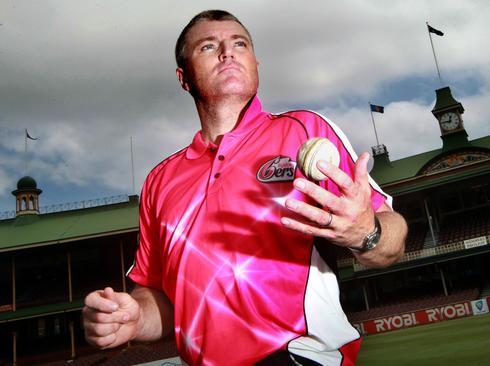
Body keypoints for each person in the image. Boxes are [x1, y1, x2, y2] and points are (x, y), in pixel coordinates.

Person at [82, 10, 407, 366]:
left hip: (297, 355)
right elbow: (165, 300)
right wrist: (134, 318)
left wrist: (366, 232)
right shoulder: (159, 181)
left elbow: (393, 239)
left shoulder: (304, 131)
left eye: (240, 43)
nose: (228, 52)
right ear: (184, 78)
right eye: (209, 46)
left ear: (255, 62)